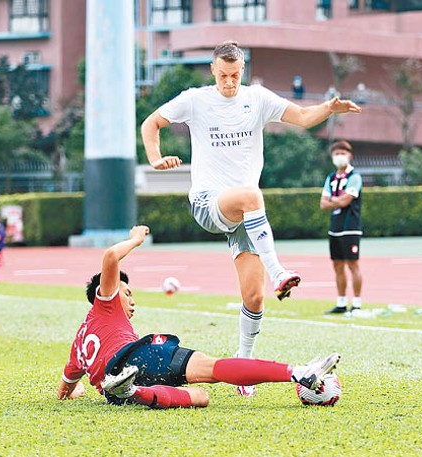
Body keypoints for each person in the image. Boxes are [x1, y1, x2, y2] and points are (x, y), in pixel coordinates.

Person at [140, 40, 360, 396]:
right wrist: (155, 157)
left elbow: (303, 118)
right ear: (213, 71)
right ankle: (280, 272)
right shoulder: (195, 99)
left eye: (235, 75)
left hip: (245, 216)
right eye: (223, 75)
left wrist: (328, 108)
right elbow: (151, 124)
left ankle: (243, 368)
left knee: (254, 298)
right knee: (252, 194)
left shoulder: (257, 99)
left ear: (243, 71)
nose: (229, 82)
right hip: (208, 202)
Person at [56, 225, 341, 409]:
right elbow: (110, 257)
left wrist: (76, 390)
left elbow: (65, 390)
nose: (132, 301)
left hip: (113, 386)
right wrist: (136, 239)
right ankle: (298, 372)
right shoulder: (104, 305)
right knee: (213, 367)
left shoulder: (78, 346)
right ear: (104, 292)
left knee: (201, 398)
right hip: (137, 356)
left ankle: (132, 391)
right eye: (127, 292)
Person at [320, 141, 363, 314]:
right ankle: (341, 302)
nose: (339, 156)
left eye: (343, 153)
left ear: (350, 156)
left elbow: (346, 201)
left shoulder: (355, 176)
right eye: (336, 153)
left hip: (350, 227)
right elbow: (322, 204)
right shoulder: (330, 178)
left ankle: (357, 303)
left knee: (353, 264)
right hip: (335, 227)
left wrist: (333, 200)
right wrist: (336, 201)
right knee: (337, 265)